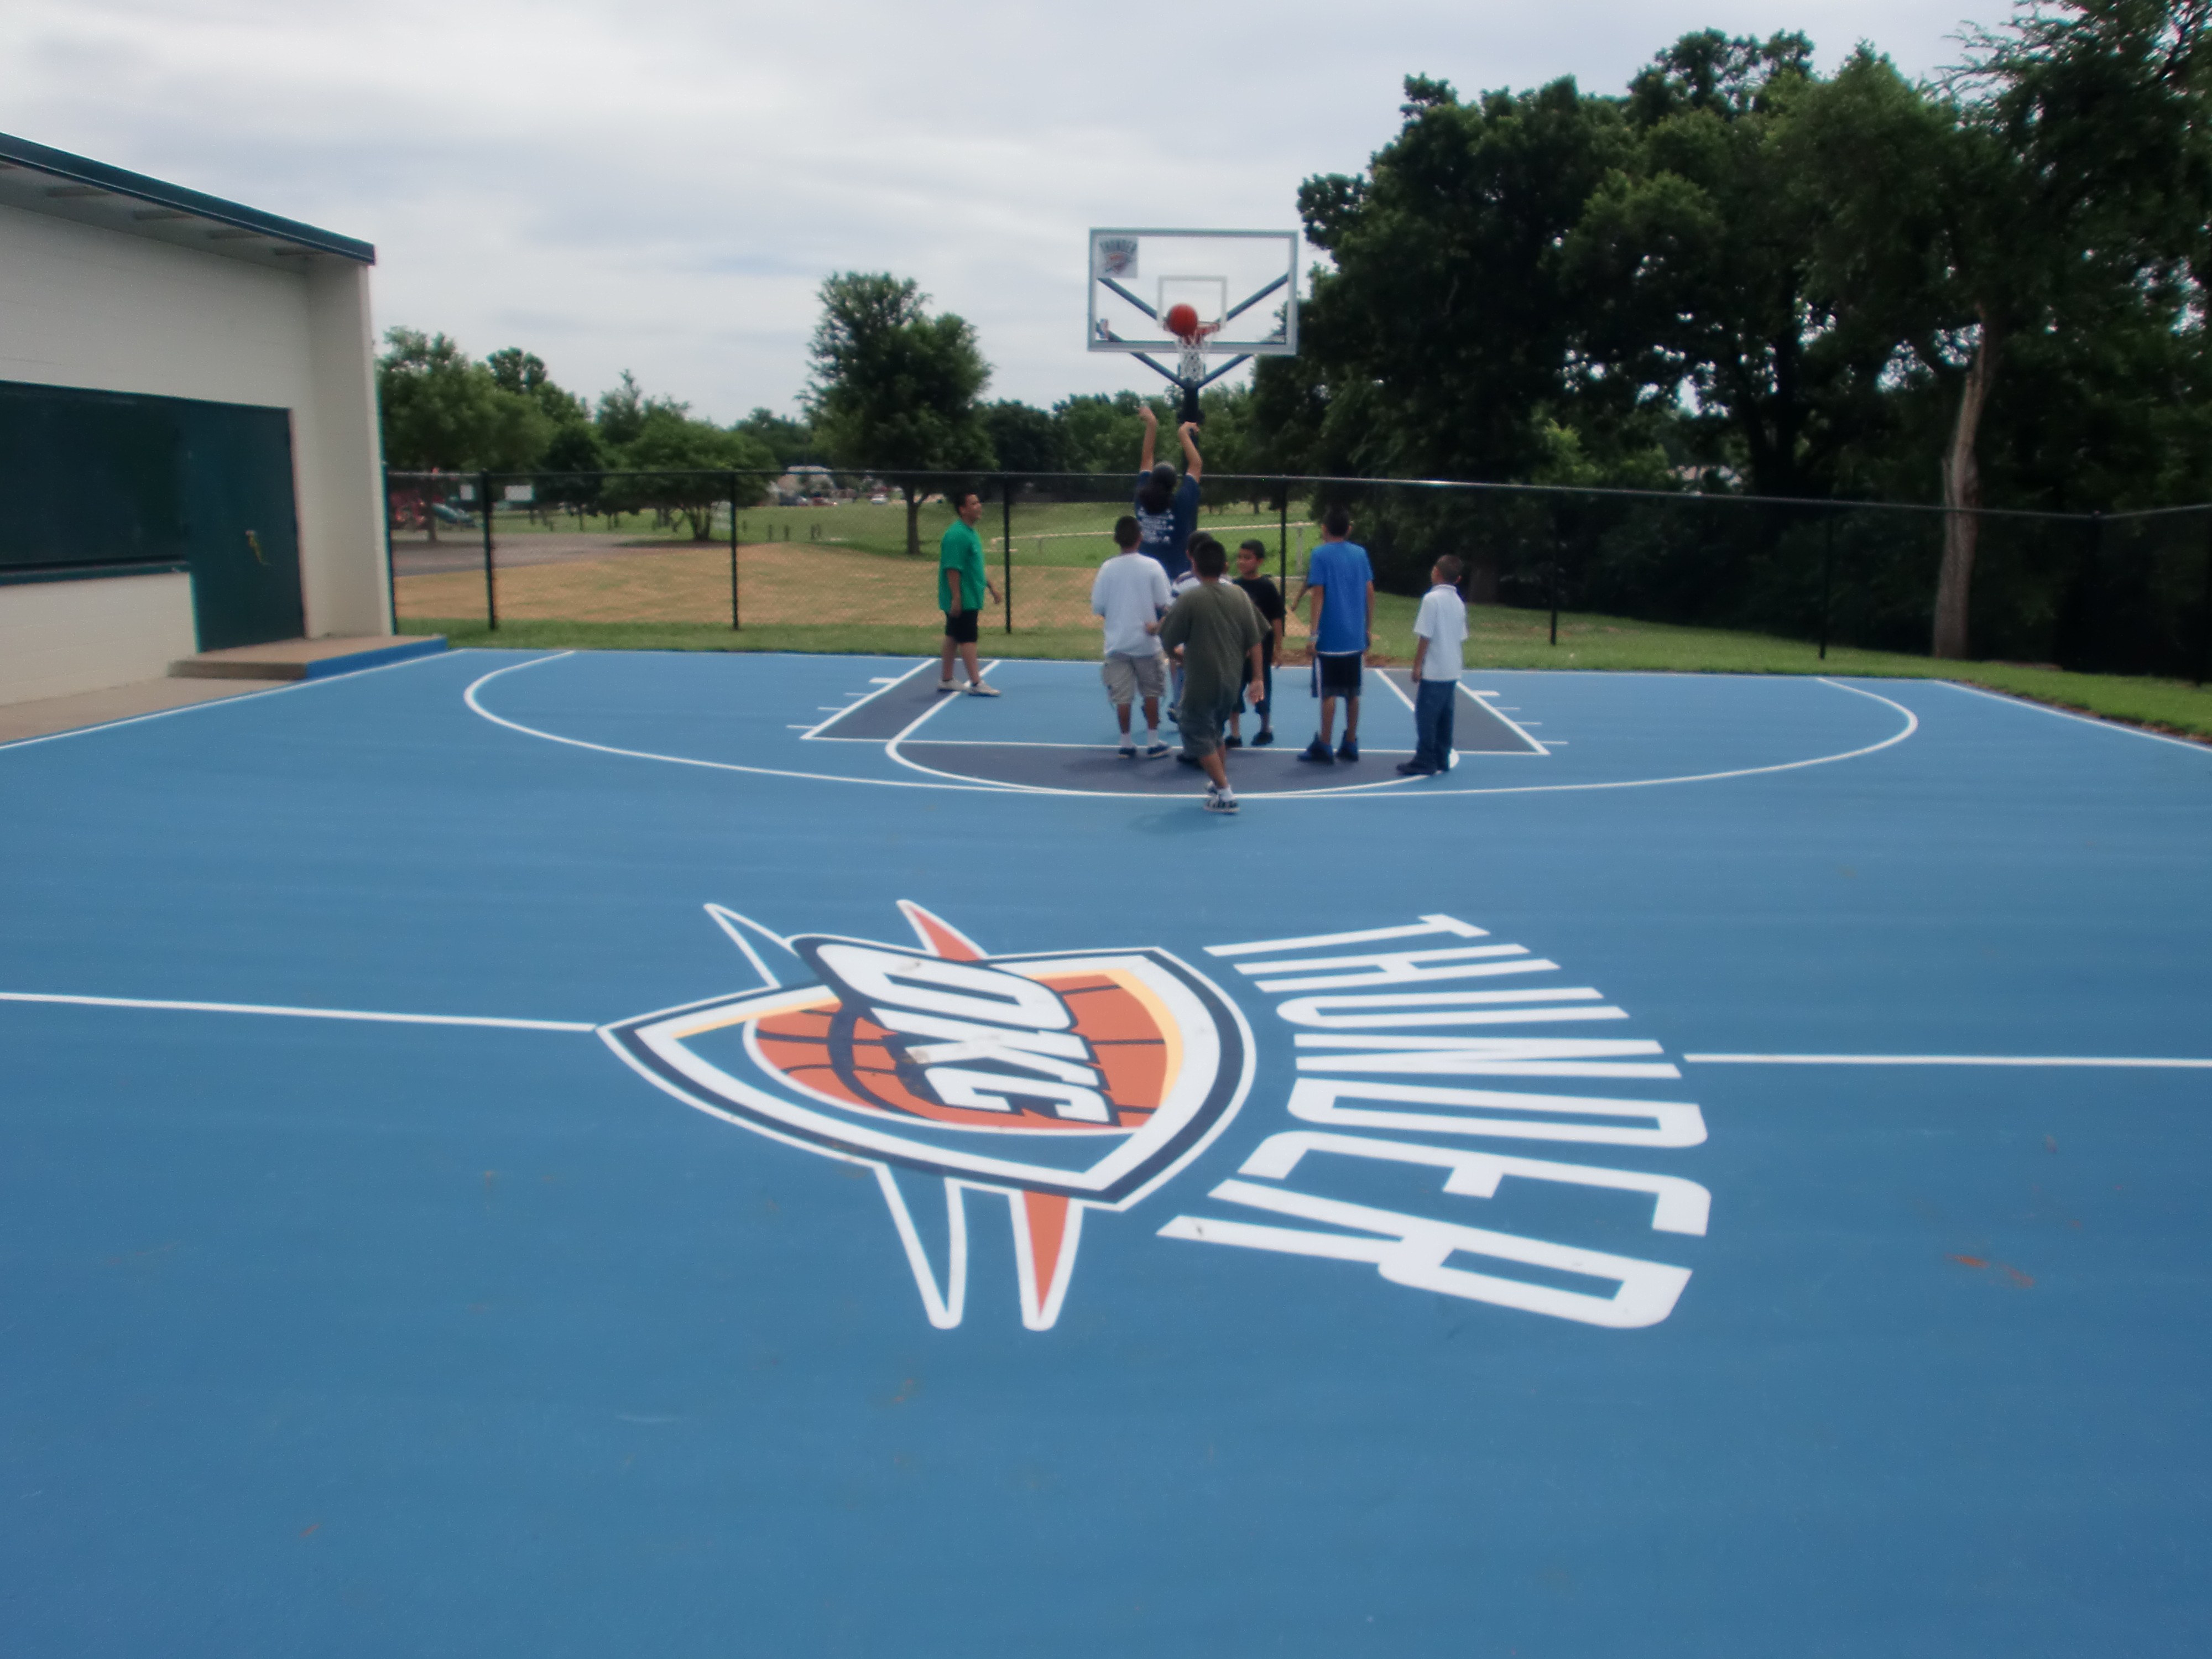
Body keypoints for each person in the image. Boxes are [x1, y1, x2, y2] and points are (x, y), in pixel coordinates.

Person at [1157, 533, 1265, 814]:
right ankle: (1219, 785)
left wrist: (1178, 657)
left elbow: (1167, 638)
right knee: (1216, 730)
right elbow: (1255, 638)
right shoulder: (1239, 594)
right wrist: (1257, 678)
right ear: (1225, 566)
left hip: (1202, 677)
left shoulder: (1191, 598)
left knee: (1193, 727)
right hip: (1232, 677)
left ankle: (1226, 794)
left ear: (1195, 566)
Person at [1293, 505, 1374, 764]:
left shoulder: (1320, 554)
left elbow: (1318, 593)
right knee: (1352, 691)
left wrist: (1313, 633)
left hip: (1330, 637)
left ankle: (1325, 743)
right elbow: (1369, 591)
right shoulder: (1360, 554)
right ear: (1349, 529)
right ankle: (1351, 741)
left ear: (1324, 529)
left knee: (1328, 691)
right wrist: (1368, 627)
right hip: (1354, 636)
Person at [1089, 514, 1172, 758]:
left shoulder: (1107, 568)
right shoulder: (1152, 566)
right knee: (1152, 692)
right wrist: (1157, 625)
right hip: (1146, 642)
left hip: (1117, 643)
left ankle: (1126, 743)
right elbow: (1167, 605)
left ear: (1116, 539)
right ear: (1141, 538)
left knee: (1122, 697)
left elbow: (1099, 607)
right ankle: (1153, 740)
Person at [1399, 555, 1469, 776]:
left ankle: (1425, 758)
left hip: (1435, 669)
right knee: (1445, 716)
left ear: (1437, 573)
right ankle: (1442, 756)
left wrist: (1417, 665)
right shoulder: (1458, 602)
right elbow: (1460, 636)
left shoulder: (1431, 600)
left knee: (1426, 716)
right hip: (1452, 667)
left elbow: (1425, 636)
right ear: (1457, 579)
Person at [936, 490, 1000, 695]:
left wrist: (992, 587)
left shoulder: (970, 532)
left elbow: (976, 566)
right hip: (964, 598)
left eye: (978, 502)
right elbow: (952, 568)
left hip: (972, 594)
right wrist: (956, 597)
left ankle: (946, 679)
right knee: (968, 638)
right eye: (973, 504)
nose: (979, 506)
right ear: (963, 510)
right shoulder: (956, 535)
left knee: (953, 635)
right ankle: (976, 683)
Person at [1133, 405, 1202, 583]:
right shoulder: (1181, 503)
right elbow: (1196, 465)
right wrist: (1183, 434)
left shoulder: (1142, 500)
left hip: (1145, 579)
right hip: (1176, 579)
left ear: (1151, 480)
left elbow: (1146, 459)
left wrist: (1152, 424)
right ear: (1174, 484)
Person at [1228, 538, 1285, 748]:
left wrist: (1278, 649)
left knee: (1261, 687)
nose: (1242, 562)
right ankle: (1235, 734)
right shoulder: (1234, 586)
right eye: (1240, 557)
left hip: (1261, 649)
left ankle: (1265, 728)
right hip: (1238, 650)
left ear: (1259, 561)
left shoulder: (1267, 587)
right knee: (1234, 689)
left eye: (1248, 558)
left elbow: (1277, 619)